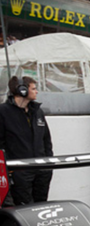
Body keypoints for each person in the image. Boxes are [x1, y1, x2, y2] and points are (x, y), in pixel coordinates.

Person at [0, 77, 53, 205]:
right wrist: (9, 169)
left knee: (42, 205)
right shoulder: (3, 112)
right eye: (33, 89)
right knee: (24, 208)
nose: (37, 92)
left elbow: (46, 139)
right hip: (19, 171)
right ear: (22, 90)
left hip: (42, 170)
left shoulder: (37, 111)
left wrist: (48, 165)